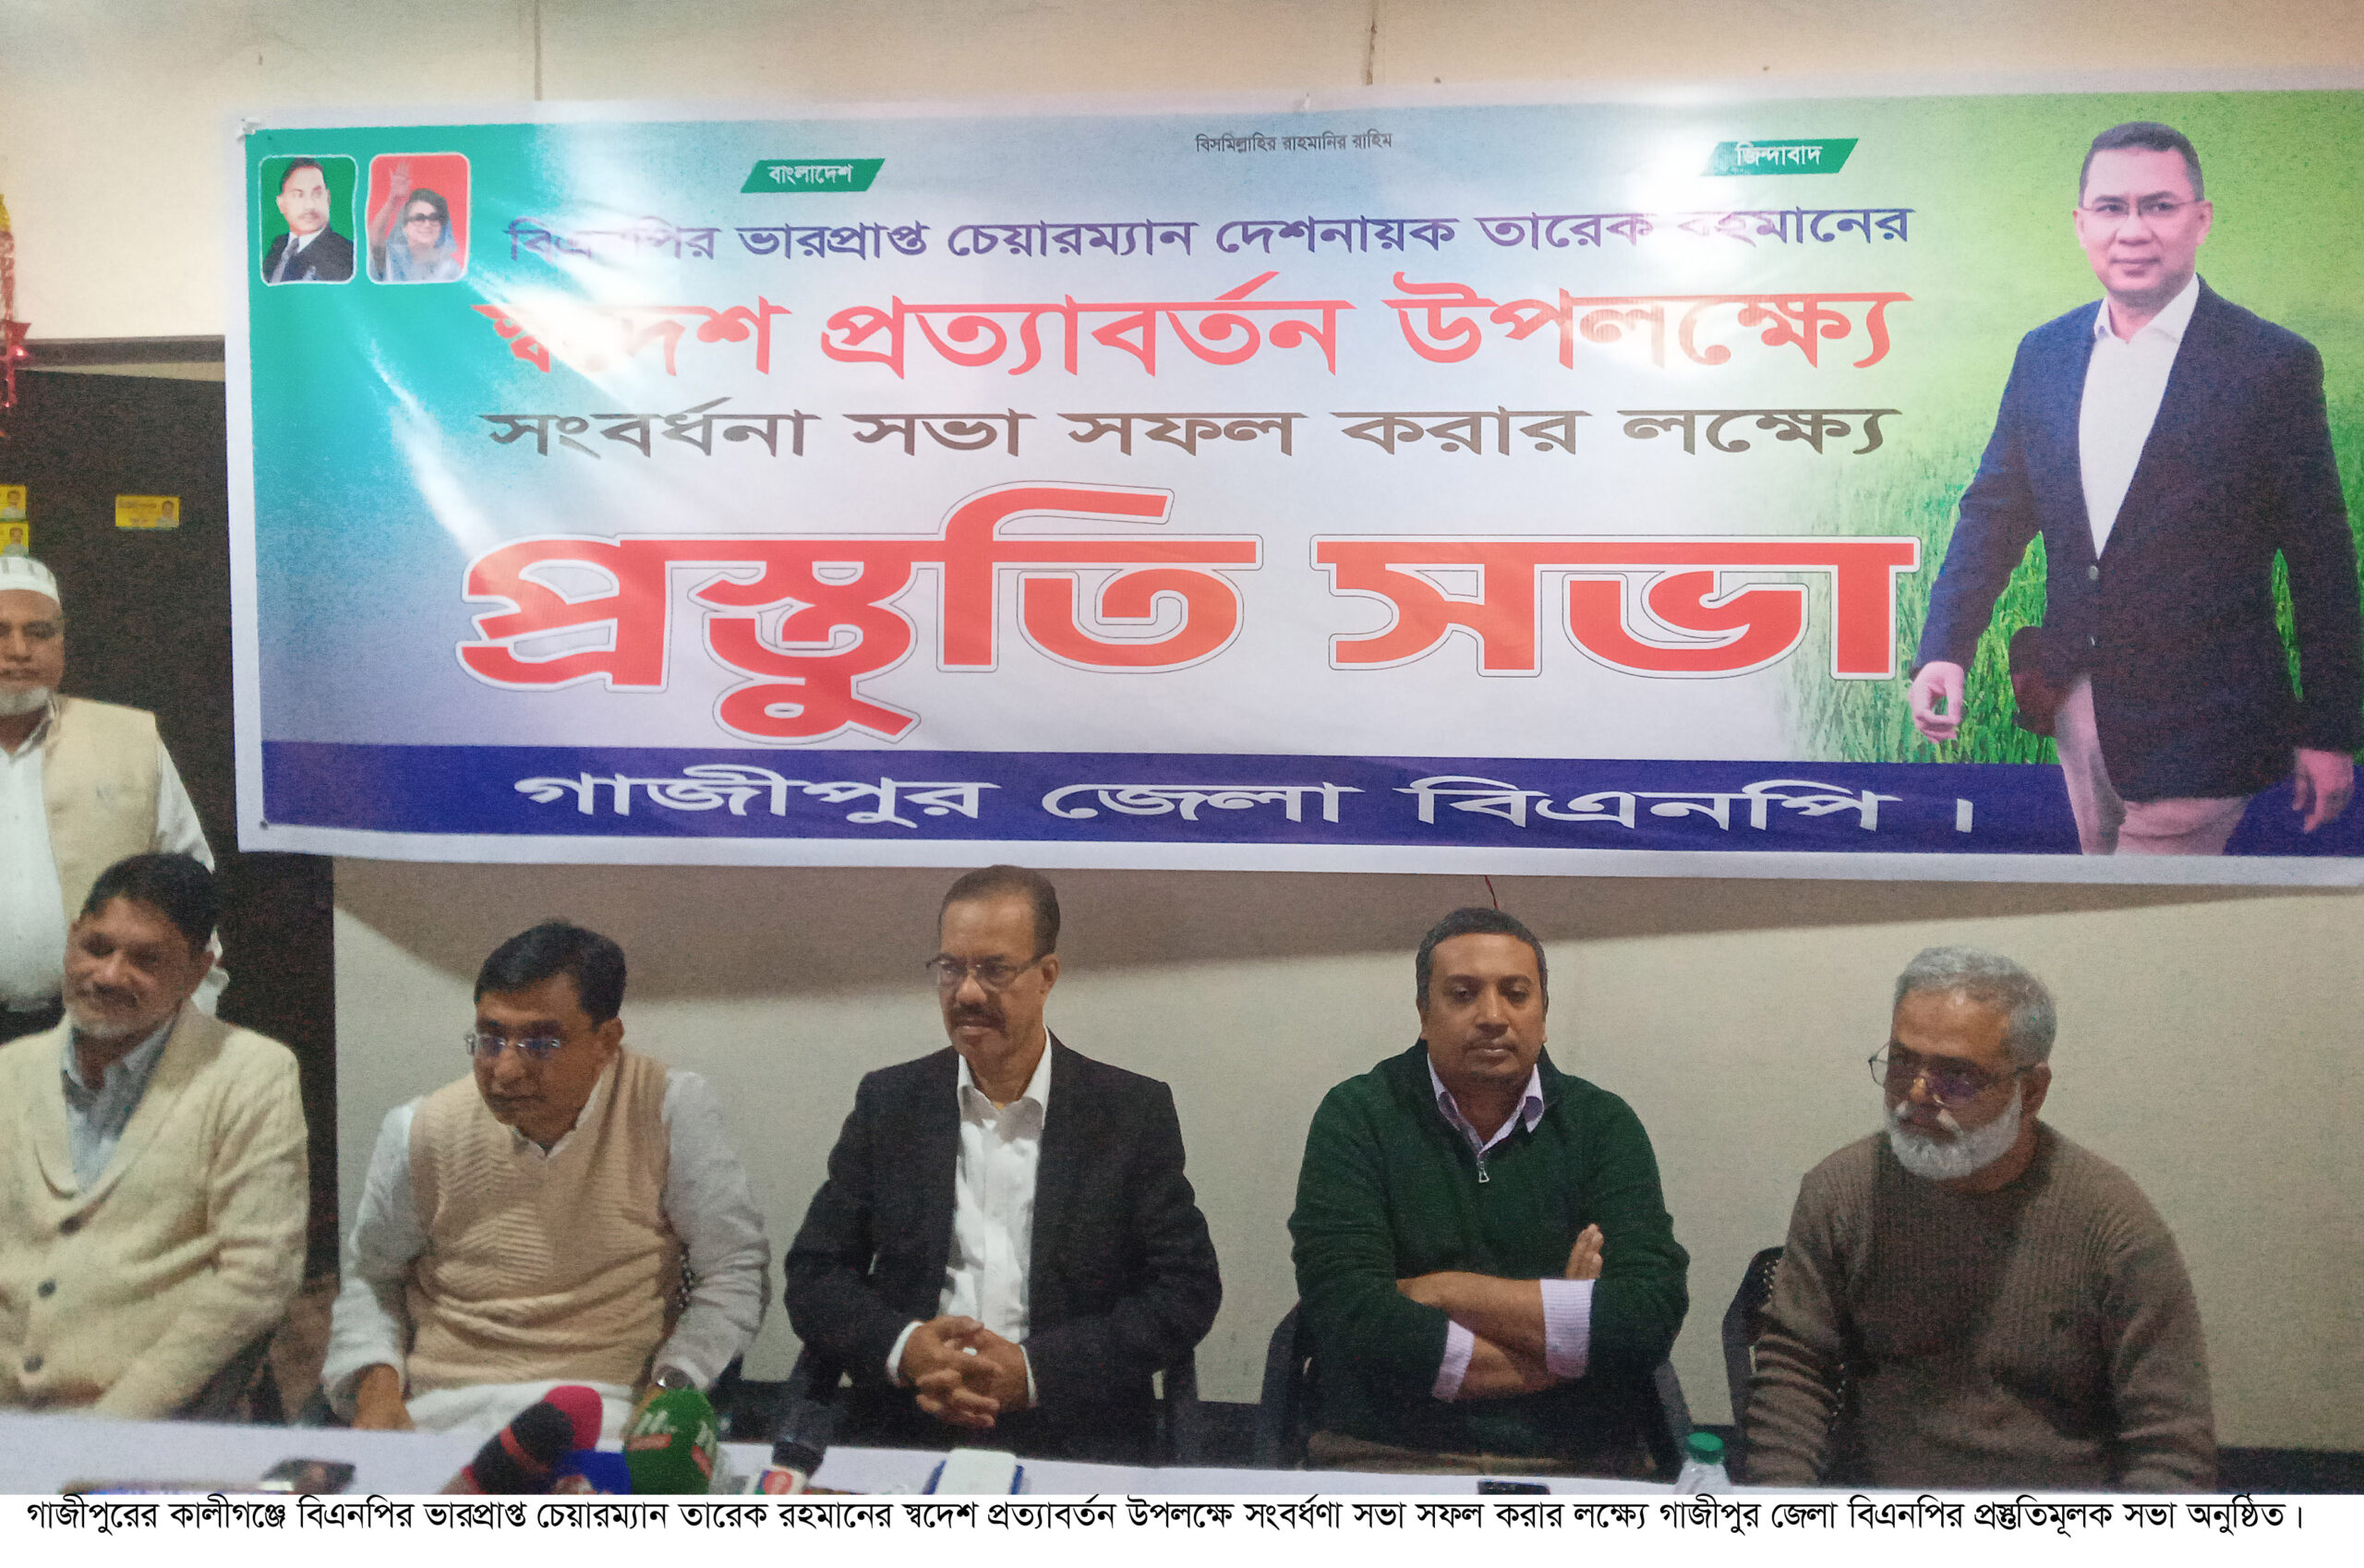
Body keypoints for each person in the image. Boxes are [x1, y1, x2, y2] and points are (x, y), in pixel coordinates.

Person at [1911, 121, 2359, 856]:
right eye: (2112, 208)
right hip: (2078, 705)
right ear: (2081, 224)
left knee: (2144, 908)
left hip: (2206, 722)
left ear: (2200, 220)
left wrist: (2332, 729)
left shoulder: (2270, 364)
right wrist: (1945, 650)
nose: (2133, 230)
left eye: (2159, 206)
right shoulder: (2045, 353)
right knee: (2102, 888)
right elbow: (1994, 513)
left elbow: (2321, 558)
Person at [784, 865, 1222, 1464]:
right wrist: (908, 1349)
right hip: (909, 1421)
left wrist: (1036, 1372)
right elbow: (816, 1274)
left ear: (1047, 976)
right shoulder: (891, 1104)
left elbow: (1185, 1289)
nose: (966, 993)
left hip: (1074, 1428)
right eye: (950, 968)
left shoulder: (1127, 1112)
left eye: (994, 970)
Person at [1743, 947, 2215, 1490]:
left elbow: (2171, 1443)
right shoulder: (1842, 1190)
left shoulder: (2113, 1225)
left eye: (1957, 1076)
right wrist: (1781, 1514)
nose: (1916, 1094)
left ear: (2031, 1091)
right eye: (1902, 1062)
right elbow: (1795, 1374)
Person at [321, 921, 769, 1441]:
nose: (505, 1070)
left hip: (610, 1415)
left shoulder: (666, 1109)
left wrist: (670, 1388)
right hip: (443, 1415)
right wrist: (377, 1392)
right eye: (491, 1039)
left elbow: (733, 1271)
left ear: (606, 1041)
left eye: (539, 1043)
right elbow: (373, 1279)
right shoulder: (419, 1128)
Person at [1288, 907, 1689, 1475]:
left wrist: (1442, 1289)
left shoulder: (1602, 1124)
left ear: (1543, 1013)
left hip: (1576, 1456)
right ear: (1423, 1013)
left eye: (1516, 994)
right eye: (1463, 994)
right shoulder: (1358, 1116)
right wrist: (1567, 1340)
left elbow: (1645, 1317)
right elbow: (1351, 1316)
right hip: (1388, 1450)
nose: (1493, 1017)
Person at [0, 853, 308, 1416]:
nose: (109, 975)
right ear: (72, 939)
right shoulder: (10, 1071)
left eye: (146, 959)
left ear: (197, 971)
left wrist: (114, 1426)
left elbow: (258, 1277)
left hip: (146, 1421)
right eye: (96, 947)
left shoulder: (250, 1074)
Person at [0, 554, 221, 1046]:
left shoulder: (128, 742)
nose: (19, 650)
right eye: (0, 631)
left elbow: (189, 885)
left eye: (39, 632)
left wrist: (191, 1016)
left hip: (105, 1028)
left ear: (62, 643)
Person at [260, 158, 354, 283]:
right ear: (281, 204)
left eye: (317, 194)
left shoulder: (347, 254)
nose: (309, 205)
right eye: (298, 195)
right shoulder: (278, 245)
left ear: (328, 198)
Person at [368, 172, 464, 283]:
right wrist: (392, 201)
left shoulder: (450, 268)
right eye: (419, 218)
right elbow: (373, 238)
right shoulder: (392, 258)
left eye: (434, 218)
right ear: (405, 227)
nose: (427, 224)